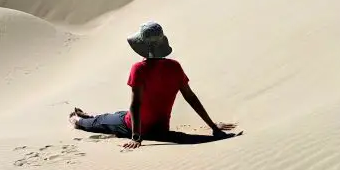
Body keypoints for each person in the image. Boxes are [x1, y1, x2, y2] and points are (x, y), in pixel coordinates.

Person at [69, 21, 237, 150]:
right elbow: (191, 98)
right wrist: (213, 127)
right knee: (118, 114)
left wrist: (136, 137)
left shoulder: (139, 69)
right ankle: (90, 115)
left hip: (135, 127)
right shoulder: (175, 66)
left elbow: (136, 105)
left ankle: (78, 120)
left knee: (103, 122)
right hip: (161, 127)